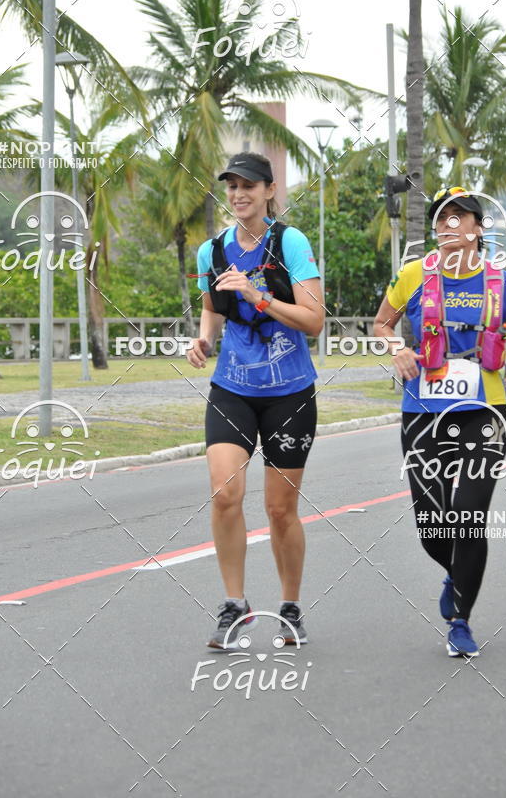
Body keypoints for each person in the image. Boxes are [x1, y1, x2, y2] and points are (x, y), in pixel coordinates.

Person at [373, 186, 506, 657]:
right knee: (432, 525)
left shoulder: (500, 282)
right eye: (442, 217)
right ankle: (455, 571)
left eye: (460, 217)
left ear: (478, 229)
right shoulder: (412, 275)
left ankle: (461, 620)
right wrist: (398, 349)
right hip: (422, 412)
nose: (449, 225)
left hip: (485, 414)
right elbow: (381, 324)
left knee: (467, 517)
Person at [186, 152, 324, 650]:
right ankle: (234, 606)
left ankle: (289, 607)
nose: (239, 194)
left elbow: (314, 320)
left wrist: (258, 295)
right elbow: (211, 309)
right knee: (225, 494)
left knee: (280, 509)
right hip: (233, 388)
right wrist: (203, 338)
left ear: (269, 190)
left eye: (249, 185)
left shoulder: (290, 243)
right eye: (231, 186)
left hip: (290, 391)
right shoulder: (212, 252)